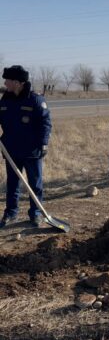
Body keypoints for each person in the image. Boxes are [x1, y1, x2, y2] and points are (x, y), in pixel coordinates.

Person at [0, 65, 52, 228]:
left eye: (7, 80)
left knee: (35, 184)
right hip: (11, 149)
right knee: (12, 184)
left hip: (32, 150)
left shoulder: (35, 99)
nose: (5, 83)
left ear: (17, 82)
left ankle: (35, 214)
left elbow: (45, 123)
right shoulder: (5, 100)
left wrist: (44, 144)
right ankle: (11, 213)